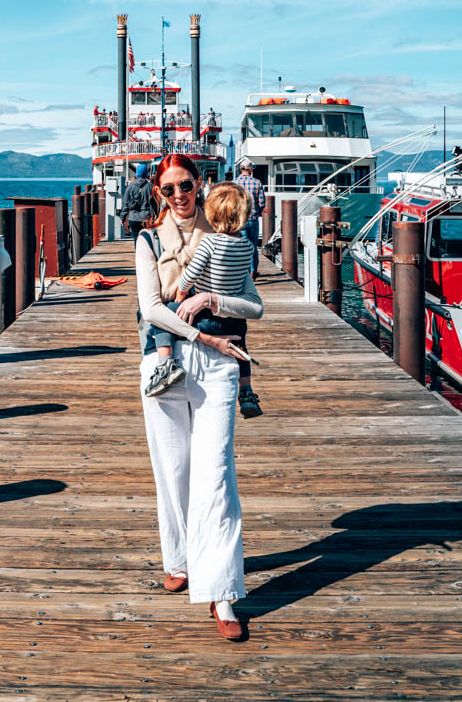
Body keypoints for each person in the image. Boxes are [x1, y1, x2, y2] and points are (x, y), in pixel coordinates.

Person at [135, 154, 263, 640]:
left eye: (185, 185)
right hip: (165, 360)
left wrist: (211, 301)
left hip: (220, 366)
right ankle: (181, 557)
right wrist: (202, 336)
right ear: (159, 194)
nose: (179, 196)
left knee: (216, 477)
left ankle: (223, 593)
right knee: (173, 469)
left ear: (200, 184)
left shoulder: (229, 238)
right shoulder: (147, 240)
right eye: (169, 190)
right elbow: (150, 309)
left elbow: (255, 305)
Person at [142, 181, 263, 419]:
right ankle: (247, 391)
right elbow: (242, 278)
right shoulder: (248, 247)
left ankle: (165, 364)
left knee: (164, 316)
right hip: (232, 319)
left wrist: (182, 292)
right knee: (240, 347)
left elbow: (191, 273)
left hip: (204, 316)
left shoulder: (209, 241)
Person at [234, 159, 266, 277]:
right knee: (253, 246)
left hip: (240, 220)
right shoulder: (257, 182)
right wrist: (259, 211)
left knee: (241, 246)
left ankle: (243, 271)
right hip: (252, 219)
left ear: (241, 169)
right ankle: (253, 271)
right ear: (250, 169)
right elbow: (262, 202)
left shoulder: (234, 183)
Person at [120, 163, 153, 240]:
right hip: (146, 218)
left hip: (133, 218)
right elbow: (154, 203)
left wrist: (123, 217)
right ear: (146, 173)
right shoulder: (150, 186)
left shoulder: (130, 186)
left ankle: (137, 251)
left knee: (136, 239)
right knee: (147, 240)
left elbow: (125, 202)